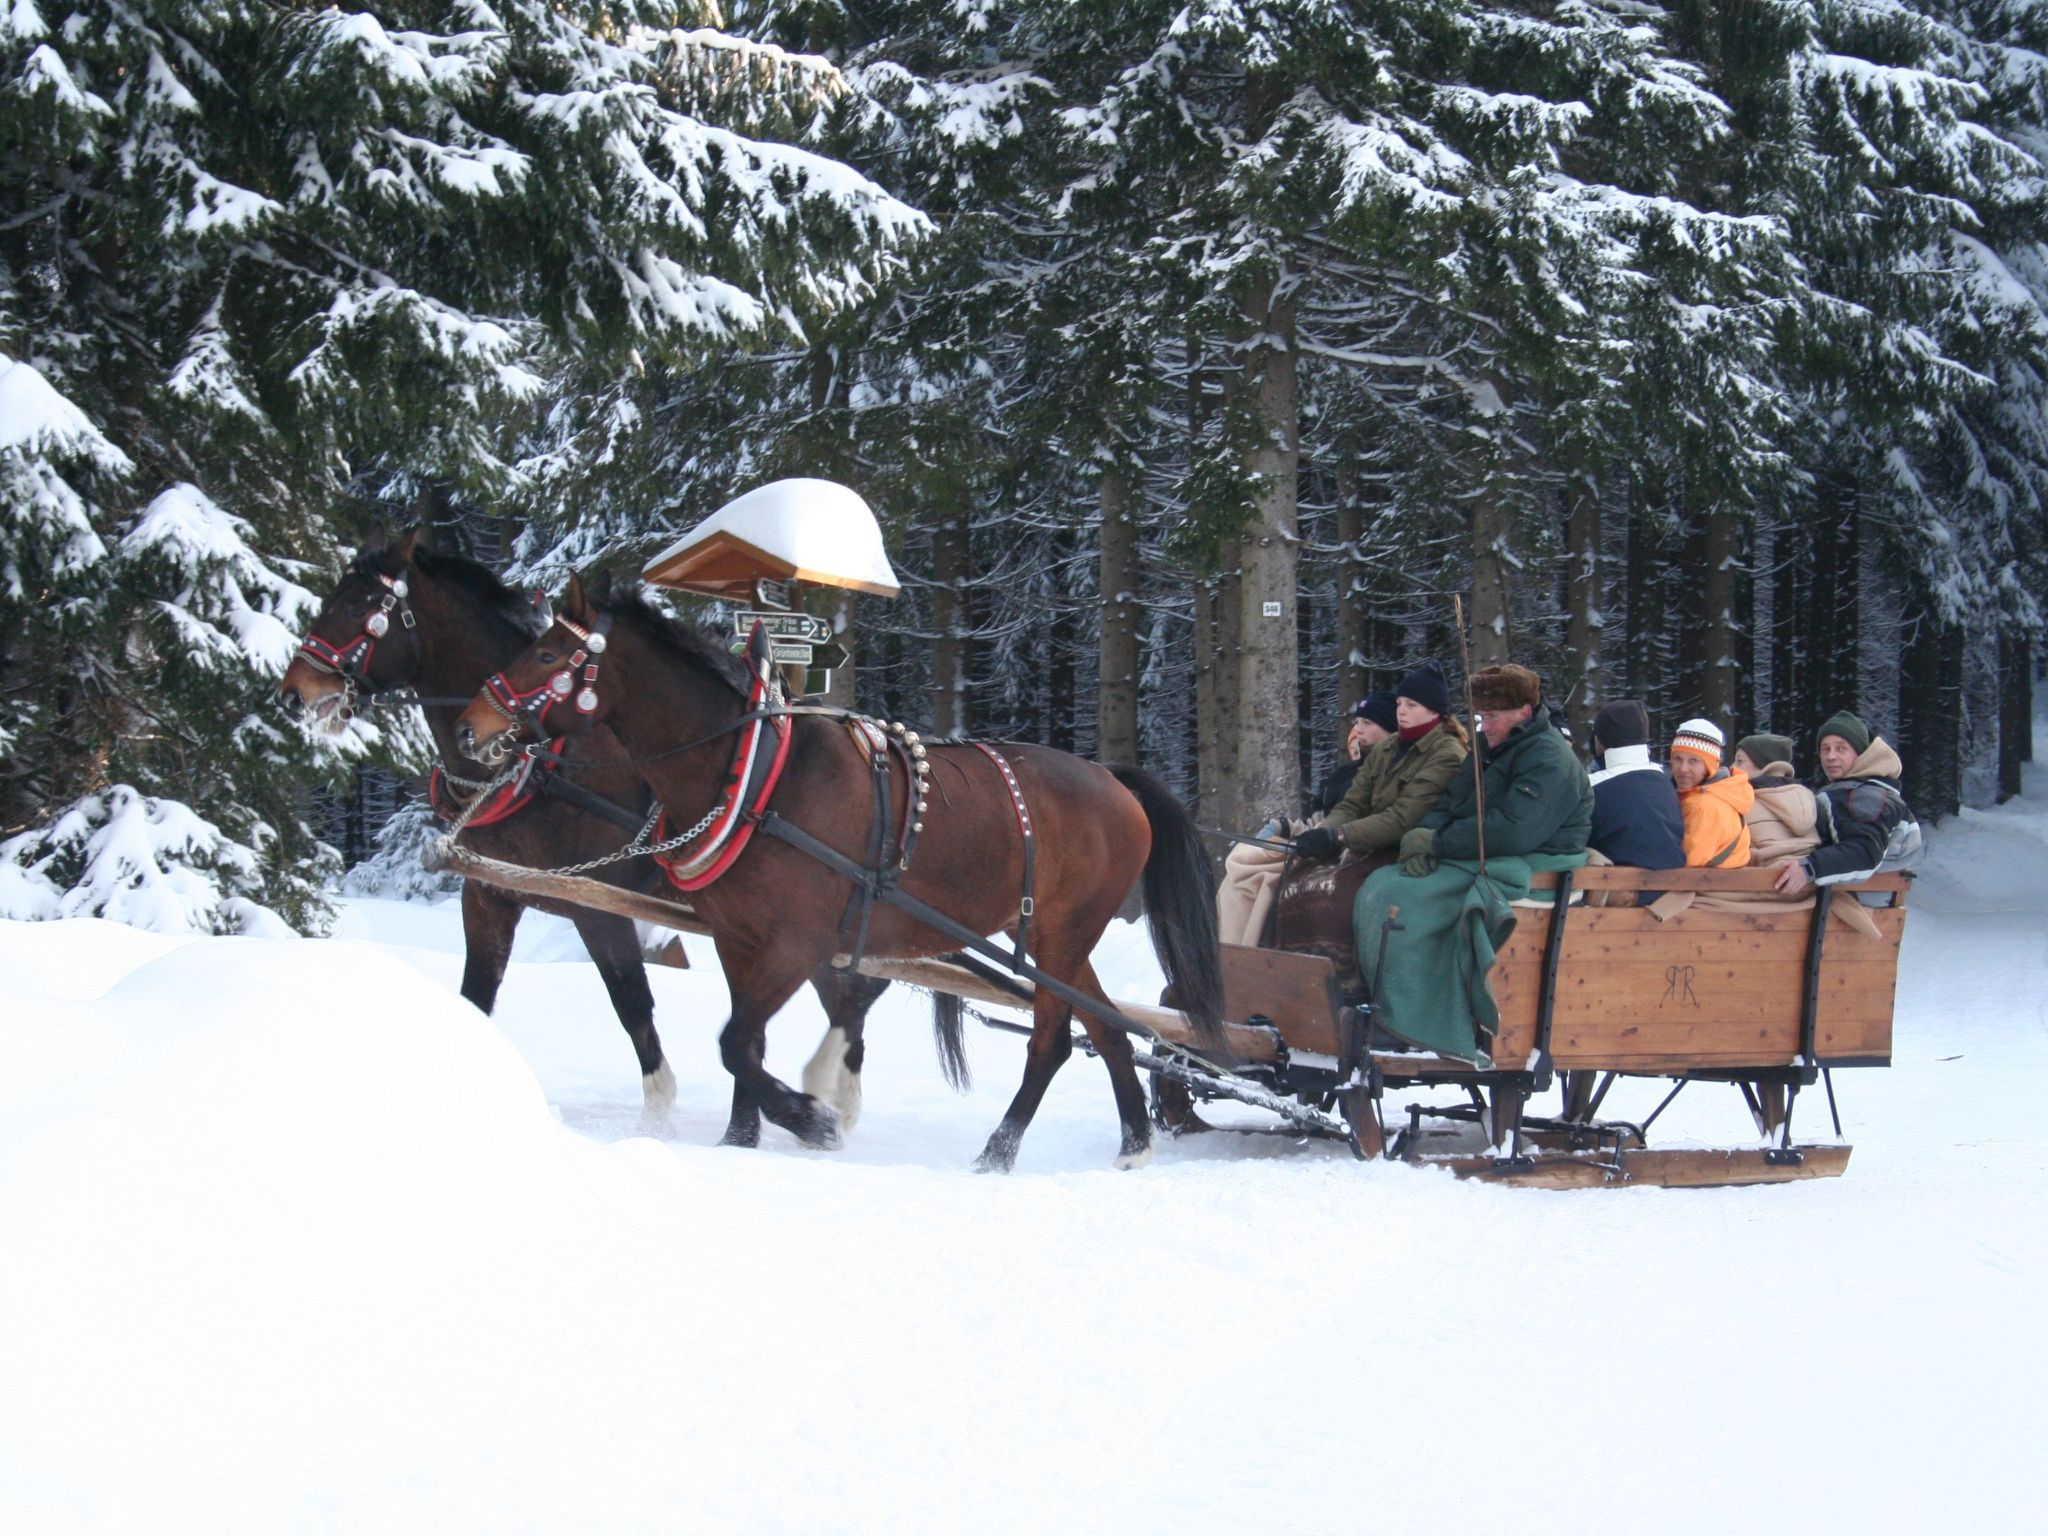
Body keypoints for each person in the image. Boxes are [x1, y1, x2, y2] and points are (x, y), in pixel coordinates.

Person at [1352, 663, 1594, 1062]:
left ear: (1524, 712)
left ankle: (1422, 1020)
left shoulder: (1550, 758)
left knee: (1400, 897)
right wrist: (1422, 835)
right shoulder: (1487, 747)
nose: (1485, 725)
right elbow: (1450, 802)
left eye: (1493, 716)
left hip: (1535, 864)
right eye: (1481, 717)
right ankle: (1394, 1005)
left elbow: (1513, 830)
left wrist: (1439, 843)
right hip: (1482, 853)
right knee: (1381, 882)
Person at [1216, 692, 1397, 947]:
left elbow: (1379, 818)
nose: (1358, 731)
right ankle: (1235, 957)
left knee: (1257, 875)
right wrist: (1289, 827)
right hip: (1324, 838)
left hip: (1350, 848)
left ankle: (1244, 954)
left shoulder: (1392, 769)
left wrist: (1330, 835)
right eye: (1357, 723)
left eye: (1367, 723)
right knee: (1243, 860)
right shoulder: (1348, 774)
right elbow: (1328, 815)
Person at [1291, 661, 1467, 862]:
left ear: (1435, 711)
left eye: (1411, 705)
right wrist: (1322, 833)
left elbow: (1403, 818)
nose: (1401, 711)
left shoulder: (1447, 755)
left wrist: (1338, 836)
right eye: (1399, 703)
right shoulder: (1387, 746)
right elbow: (1353, 804)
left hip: (1410, 853)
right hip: (1369, 846)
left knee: (1336, 888)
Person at [1773, 710, 1922, 896]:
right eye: (1825, 749)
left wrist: (1809, 868)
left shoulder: (1866, 796)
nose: (1830, 756)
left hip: (1852, 905)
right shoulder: (1865, 790)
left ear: (1861, 754)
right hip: (1856, 901)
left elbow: (1864, 852)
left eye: (1841, 748)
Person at [1586, 699, 1685, 872]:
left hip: (1620, 890)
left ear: (1599, 740)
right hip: (1670, 884)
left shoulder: (1593, 789)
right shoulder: (1664, 783)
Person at [1669, 718, 1753, 868]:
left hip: (1708, 888)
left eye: (1693, 761)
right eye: (1678, 759)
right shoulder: (1721, 793)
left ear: (1710, 766)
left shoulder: (1704, 805)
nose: (1683, 768)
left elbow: (1689, 863)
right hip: (1720, 886)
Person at [1732, 732, 1820, 868]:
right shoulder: (1808, 798)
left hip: (1760, 880)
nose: (1732, 767)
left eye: (1740, 761)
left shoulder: (1743, 802)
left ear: (1762, 765)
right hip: (1808, 875)